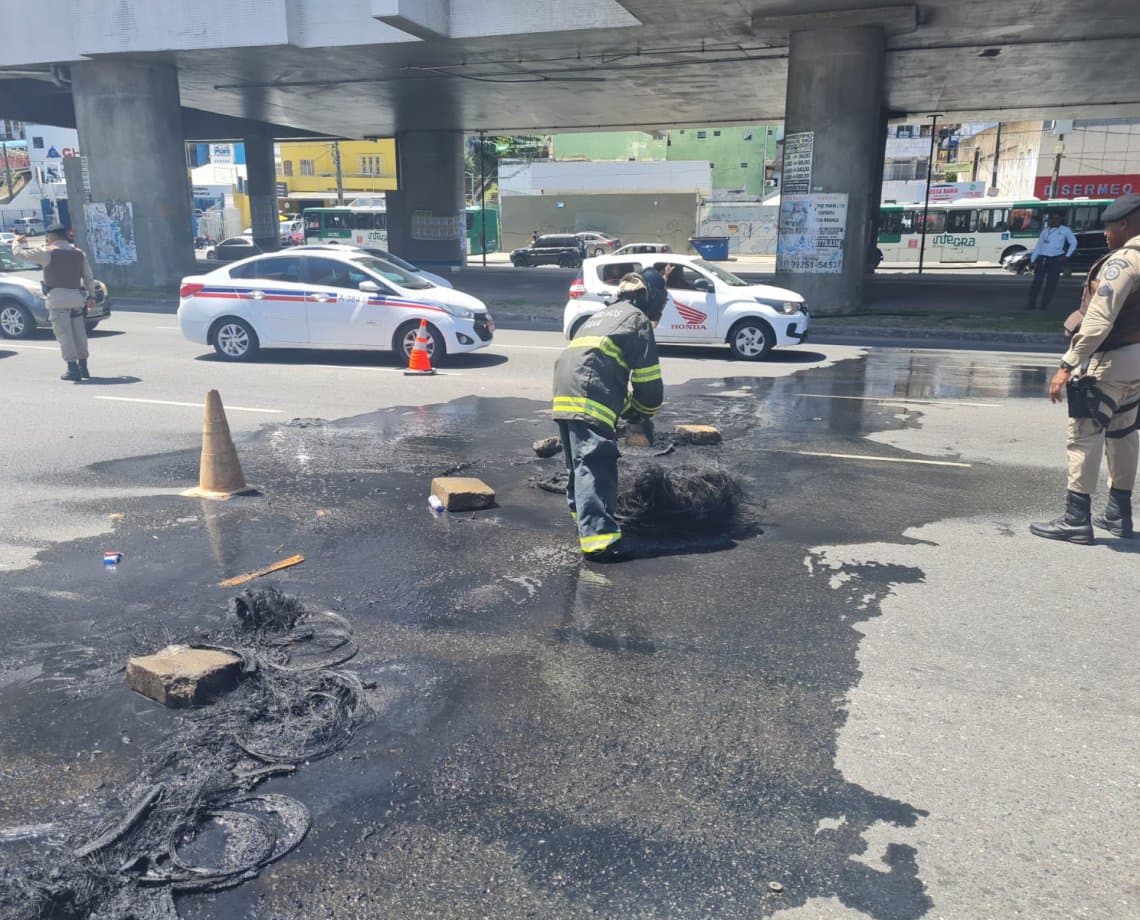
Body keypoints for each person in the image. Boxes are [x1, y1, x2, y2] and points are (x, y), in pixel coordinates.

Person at [1030, 193, 1140, 544]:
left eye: (1109, 227)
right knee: (1123, 434)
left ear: (1124, 224)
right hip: (1137, 366)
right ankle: (1119, 514)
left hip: (1113, 360)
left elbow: (1099, 320)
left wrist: (1067, 365)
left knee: (1085, 434)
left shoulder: (1123, 263)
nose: (1106, 234)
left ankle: (1077, 518)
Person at [552, 268, 667, 561]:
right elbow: (649, 385)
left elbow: (606, 371)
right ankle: (599, 541)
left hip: (565, 391)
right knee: (596, 461)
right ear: (650, 299)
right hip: (589, 392)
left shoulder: (601, 316)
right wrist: (643, 415)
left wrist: (627, 411)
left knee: (577, 463)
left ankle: (583, 521)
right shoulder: (637, 320)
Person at [14, 223, 97, 381]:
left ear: (52, 236)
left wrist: (18, 242)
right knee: (80, 334)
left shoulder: (47, 252)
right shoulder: (79, 253)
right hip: (77, 299)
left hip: (58, 300)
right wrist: (91, 296)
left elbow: (20, 255)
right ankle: (84, 367)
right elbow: (88, 277)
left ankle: (72, 369)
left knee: (64, 335)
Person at [1025, 210, 1078, 311]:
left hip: (1056, 259)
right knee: (1037, 282)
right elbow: (1038, 246)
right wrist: (1032, 259)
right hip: (1042, 258)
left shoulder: (1065, 230)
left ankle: (1044, 304)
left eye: (1057, 218)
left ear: (1061, 219)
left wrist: (1067, 256)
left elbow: (1074, 243)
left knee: (1051, 283)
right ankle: (1031, 303)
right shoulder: (1045, 231)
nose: (1054, 220)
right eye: (1052, 218)